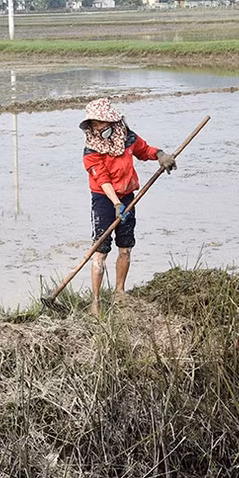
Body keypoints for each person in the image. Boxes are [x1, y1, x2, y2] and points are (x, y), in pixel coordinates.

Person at [80, 98, 177, 315]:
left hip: (127, 196)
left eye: (99, 123)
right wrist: (115, 203)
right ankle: (95, 302)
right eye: (93, 124)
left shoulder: (127, 137)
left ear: (111, 121)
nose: (97, 128)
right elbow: (102, 179)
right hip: (104, 199)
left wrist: (161, 155)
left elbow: (144, 150)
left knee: (126, 245)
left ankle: (120, 292)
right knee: (101, 250)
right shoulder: (91, 150)